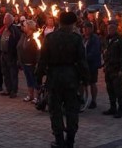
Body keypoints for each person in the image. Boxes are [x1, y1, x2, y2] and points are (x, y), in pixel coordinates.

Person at [36, 11, 89, 148]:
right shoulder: (76, 39)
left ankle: (59, 140)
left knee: (55, 110)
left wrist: (38, 77)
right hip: (71, 77)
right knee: (72, 110)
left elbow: (42, 60)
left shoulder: (50, 38)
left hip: (54, 77)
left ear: (59, 23)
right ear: (72, 24)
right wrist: (85, 79)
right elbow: (82, 61)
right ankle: (70, 140)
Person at [103, 22, 122, 118]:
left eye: (112, 29)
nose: (110, 30)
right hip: (108, 68)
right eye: (109, 28)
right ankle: (112, 107)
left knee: (118, 90)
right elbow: (106, 53)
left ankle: (120, 109)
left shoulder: (120, 40)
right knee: (110, 89)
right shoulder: (107, 39)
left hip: (117, 69)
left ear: (116, 29)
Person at [0, 13, 21, 98]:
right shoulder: (4, 28)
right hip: (3, 54)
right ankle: (8, 89)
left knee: (13, 73)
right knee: (5, 73)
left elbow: (17, 43)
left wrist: (14, 55)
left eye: (6, 18)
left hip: (11, 55)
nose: (4, 19)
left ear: (10, 20)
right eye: (4, 17)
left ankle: (14, 91)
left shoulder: (14, 30)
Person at [17, 19, 40, 103]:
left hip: (32, 63)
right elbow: (19, 47)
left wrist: (37, 62)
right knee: (29, 79)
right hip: (25, 62)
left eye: (25, 26)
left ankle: (37, 97)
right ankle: (30, 95)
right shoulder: (24, 36)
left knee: (35, 80)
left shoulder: (35, 37)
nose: (23, 27)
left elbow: (38, 51)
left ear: (30, 27)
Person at [82, 21, 101, 108]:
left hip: (92, 64)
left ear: (91, 29)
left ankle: (93, 101)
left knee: (92, 82)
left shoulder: (94, 39)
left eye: (87, 28)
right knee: (82, 83)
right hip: (83, 64)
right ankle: (82, 99)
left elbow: (94, 52)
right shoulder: (82, 38)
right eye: (84, 28)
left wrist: (85, 58)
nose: (85, 30)